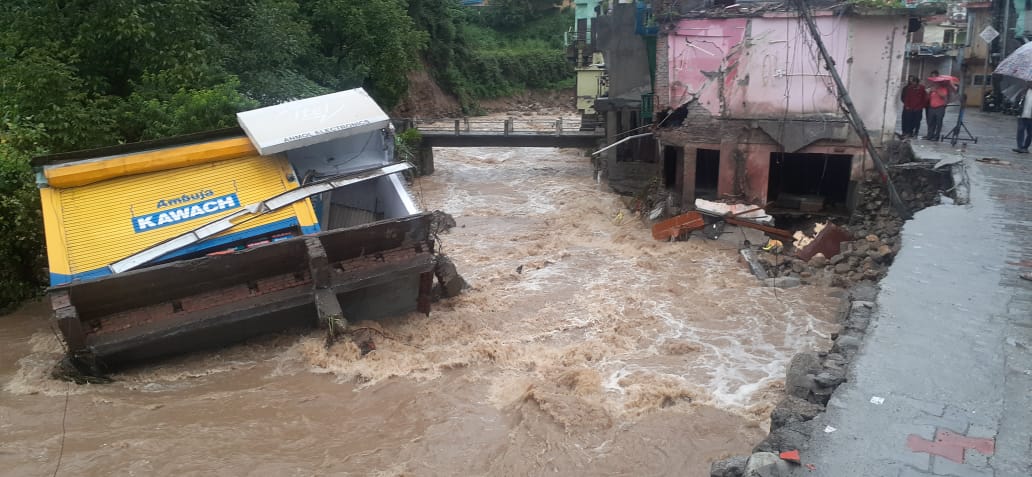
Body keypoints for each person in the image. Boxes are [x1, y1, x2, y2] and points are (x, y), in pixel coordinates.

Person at [923, 70, 949, 140]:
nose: (934, 83)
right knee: (930, 122)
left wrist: (937, 90)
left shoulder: (943, 89)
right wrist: (928, 93)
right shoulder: (932, 89)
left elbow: (944, 97)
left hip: (939, 108)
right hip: (931, 107)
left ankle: (936, 136)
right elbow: (928, 98)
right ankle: (929, 135)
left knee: (938, 123)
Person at [1013, 82, 1032, 153]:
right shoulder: (1023, 92)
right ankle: (1019, 147)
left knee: (1030, 133)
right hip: (1022, 115)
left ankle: (1025, 147)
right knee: (1020, 130)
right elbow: (1016, 100)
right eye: (1029, 83)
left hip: (1031, 117)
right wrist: (1016, 108)